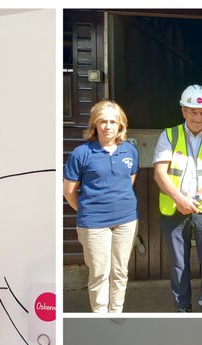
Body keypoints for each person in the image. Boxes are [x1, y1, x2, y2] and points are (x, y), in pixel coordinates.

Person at [153, 84, 202, 313]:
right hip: (174, 209)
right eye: (193, 111)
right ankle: (183, 308)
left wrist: (194, 199)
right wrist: (179, 199)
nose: (198, 116)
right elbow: (159, 173)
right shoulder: (169, 134)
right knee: (178, 263)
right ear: (183, 111)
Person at [63, 100, 139, 313]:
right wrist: (87, 210)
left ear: (120, 125)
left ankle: (116, 314)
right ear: (94, 125)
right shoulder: (82, 153)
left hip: (126, 220)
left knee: (120, 271)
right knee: (99, 272)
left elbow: (128, 180)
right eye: (102, 121)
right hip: (94, 224)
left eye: (113, 122)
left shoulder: (130, 151)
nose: (108, 126)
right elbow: (68, 190)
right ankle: (99, 318)